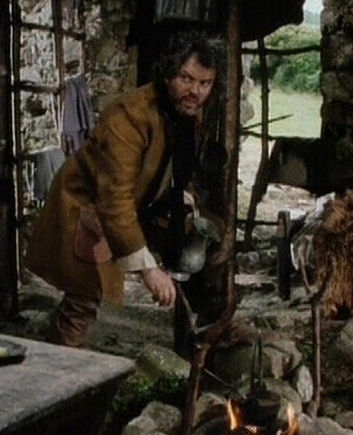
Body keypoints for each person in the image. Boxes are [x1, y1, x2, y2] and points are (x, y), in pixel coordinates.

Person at [24, 33, 226, 349]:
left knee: (212, 239)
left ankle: (201, 343)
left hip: (135, 204)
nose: (195, 91)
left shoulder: (187, 112)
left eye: (205, 83)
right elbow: (114, 197)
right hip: (87, 205)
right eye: (187, 78)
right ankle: (57, 368)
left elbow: (171, 162)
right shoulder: (129, 115)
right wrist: (148, 270)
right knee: (83, 300)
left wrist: (178, 195)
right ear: (168, 74)